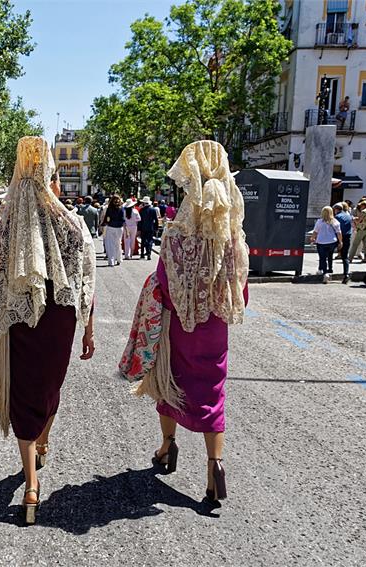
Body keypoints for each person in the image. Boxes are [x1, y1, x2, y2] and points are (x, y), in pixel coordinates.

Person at [0, 136, 96, 526]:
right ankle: (43, 440)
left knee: (23, 393)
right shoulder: (71, 222)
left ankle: (30, 484)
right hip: (62, 319)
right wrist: (89, 328)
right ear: (51, 174)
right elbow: (87, 278)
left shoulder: (6, 223)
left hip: (20, 319)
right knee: (50, 388)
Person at [119, 140, 249, 510]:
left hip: (179, 325)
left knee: (169, 383)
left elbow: (163, 282)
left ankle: (166, 447)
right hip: (215, 327)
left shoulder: (175, 234)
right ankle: (214, 467)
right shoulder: (232, 237)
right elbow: (242, 292)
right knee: (213, 393)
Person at [311, 206, 342, 283]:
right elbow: (339, 233)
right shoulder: (335, 222)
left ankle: (325, 272)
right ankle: (329, 269)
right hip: (332, 242)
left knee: (323, 258)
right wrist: (340, 241)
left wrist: (312, 238)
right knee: (330, 255)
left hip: (321, 242)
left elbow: (315, 232)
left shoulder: (319, 222)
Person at [102, 195, 125, 266]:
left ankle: (111, 261)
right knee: (118, 243)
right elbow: (123, 219)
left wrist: (104, 223)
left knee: (110, 244)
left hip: (111, 226)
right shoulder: (121, 208)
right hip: (119, 227)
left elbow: (107, 218)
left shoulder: (110, 208)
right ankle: (119, 259)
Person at [333, 203, 353, 283]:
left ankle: (327, 270)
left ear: (336, 209)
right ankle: (346, 274)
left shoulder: (337, 217)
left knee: (329, 253)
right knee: (345, 257)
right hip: (347, 237)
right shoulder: (349, 216)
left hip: (339, 237)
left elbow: (336, 229)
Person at [138, 196, 158, 261]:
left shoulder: (141, 210)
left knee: (143, 241)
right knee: (150, 240)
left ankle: (142, 254)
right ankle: (149, 253)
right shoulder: (153, 210)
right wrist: (156, 227)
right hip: (151, 227)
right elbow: (156, 219)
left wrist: (139, 228)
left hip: (143, 227)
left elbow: (140, 221)